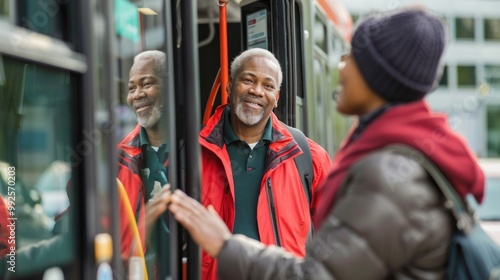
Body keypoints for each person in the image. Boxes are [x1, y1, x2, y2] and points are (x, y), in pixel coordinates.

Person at [168, 8, 485, 279]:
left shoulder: (386, 174)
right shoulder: (394, 159)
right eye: (248, 80)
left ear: (376, 78)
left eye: (351, 59)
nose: (340, 69)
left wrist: (225, 247)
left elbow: (319, 275)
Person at [199, 47, 332, 279]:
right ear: (230, 86)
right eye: (248, 80)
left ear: (276, 98)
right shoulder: (194, 153)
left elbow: (333, 235)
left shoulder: (309, 156)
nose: (257, 91)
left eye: (268, 86)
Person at [116, 50, 171, 261]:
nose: (137, 94)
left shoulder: (201, 152)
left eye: (147, 84)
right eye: (132, 88)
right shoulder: (119, 157)